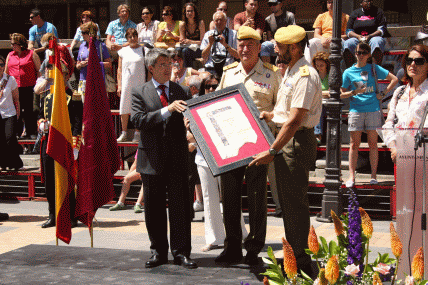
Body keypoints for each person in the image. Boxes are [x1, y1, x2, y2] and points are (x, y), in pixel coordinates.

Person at [249, 25, 322, 278]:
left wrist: (272, 149)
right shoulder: (291, 71)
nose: (275, 50)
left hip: (293, 142)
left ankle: (301, 263)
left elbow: (295, 120)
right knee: (288, 205)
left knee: (294, 206)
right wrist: (272, 114)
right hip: (287, 140)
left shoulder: (304, 74)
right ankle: (296, 258)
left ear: (294, 47)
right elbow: (287, 113)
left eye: (279, 46)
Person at [214, 26, 281, 266]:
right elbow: (217, 106)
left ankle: (253, 248)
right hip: (230, 146)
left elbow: (281, 111)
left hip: (258, 147)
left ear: (258, 48)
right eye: (240, 44)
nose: (244, 49)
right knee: (229, 198)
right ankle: (232, 247)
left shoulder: (272, 74)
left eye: (249, 45)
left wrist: (269, 116)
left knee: (256, 198)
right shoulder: (228, 72)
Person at [130, 48, 196, 269]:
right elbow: (139, 120)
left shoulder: (181, 90)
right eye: (162, 64)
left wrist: (191, 124)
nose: (169, 68)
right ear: (151, 68)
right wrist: (167, 110)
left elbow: (190, 118)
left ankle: (181, 252)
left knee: (180, 208)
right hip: (152, 159)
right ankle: (158, 251)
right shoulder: (140, 91)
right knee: (154, 209)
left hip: (177, 158)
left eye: (171, 64)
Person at [340, 42, 398, 187]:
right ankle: (351, 176)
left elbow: (394, 79)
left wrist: (383, 93)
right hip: (356, 110)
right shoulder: (348, 72)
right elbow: (342, 94)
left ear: (369, 55)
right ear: (355, 54)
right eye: (359, 52)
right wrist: (354, 92)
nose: (361, 55)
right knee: (354, 144)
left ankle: (373, 176)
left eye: (364, 53)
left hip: (372, 109)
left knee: (373, 144)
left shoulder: (373, 68)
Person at [37, 63, 77, 229]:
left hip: (65, 143)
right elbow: (39, 116)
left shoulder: (73, 96)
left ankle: (71, 216)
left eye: (59, 74)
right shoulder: (47, 96)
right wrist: (41, 125)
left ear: (67, 76)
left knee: (67, 181)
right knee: (49, 182)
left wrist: (75, 145)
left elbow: (76, 122)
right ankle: (52, 215)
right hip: (48, 142)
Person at [382, 44, 428, 164]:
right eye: (409, 60)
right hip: (400, 156)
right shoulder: (399, 92)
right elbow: (388, 124)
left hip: (424, 157)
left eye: (419, 61)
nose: (412, 64)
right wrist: (394, 148)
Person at [5, 33, 41, 140]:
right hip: (14, 87)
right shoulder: (10, 55)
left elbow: (39, 70)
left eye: (14, 44)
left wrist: (38, 84)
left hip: (29, 86)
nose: (12, 46)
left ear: (20, 44)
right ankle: (17, 132)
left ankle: (31, 131)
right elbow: (6, 72)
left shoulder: (31, 54)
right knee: (16, 110)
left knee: (30, 110)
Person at [116, 28, 146, 143]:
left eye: (134, 36)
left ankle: (137, 133)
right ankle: (123, 133)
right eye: (130, 37)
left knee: (138, 108)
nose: (132, 38)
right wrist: (119, 85)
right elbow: (119, 70)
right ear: (127, 38)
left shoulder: (143, 50)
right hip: (126, 83)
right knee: (124, 108)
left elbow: (148, 69)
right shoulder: (123, 51)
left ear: (137, 37)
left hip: (140, 83)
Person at [343, 0, 389, 67]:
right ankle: (351, 70)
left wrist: (370, 36)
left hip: (373, 37)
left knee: (377, 41)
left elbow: (382, 29)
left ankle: (376, 70)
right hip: (358, 39)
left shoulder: (378, 12)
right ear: (361, 3)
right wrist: (358, 36)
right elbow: (348, 31)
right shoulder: (355, 13)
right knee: (348, 43)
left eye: (370, 1)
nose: (369, 3)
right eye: (366, 1)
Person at [303, 0, 349, 65]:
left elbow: (346, 35)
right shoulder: (321, 16)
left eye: (332, 2)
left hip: (337, 41)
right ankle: (308, 68)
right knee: (311, 43)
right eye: (329, 2)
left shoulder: (345, 17)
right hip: (323, 41)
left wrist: (334, 38)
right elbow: (316, 34)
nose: (330, 4)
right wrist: (323, 39)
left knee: (340, 43)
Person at [76, 22, 112, 102]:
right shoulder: (82, 46)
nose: (82, 35)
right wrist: (80, 65)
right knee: (84, 106)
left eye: (84, 33)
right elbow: (77, 65)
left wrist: (94, 63)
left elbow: (109, 64)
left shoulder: (100, 45)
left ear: (91, 33)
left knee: (97, 105)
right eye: (81, 32)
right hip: (83, 80)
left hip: (97, 80)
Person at [0, 55, 23, 171]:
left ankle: (15, 162)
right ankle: (3, 163)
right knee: (1, 140)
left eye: (1, 65)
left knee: (9, 138)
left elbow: (16, 99)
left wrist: (18, 114)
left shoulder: (10, 79)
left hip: (9, 113)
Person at [201, 11, 239, 77]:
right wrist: (210, 44)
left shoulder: (233, 34)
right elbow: (203, 56)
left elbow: (237, 55)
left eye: (221, 20)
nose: (219, 22)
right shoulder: (208, 34)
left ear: (225, 21)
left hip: (228, 67)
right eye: (216, 20)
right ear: (213, 22)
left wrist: (225, 45)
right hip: (212, 67)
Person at [179, 2, 206, 68]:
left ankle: (189, 70)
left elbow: (203, 42)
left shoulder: (200, 23)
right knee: (178, 50)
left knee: (185, 51)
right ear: (185, 13)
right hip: (187, 47)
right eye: (188, 11)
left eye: (191, 11)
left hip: (199, 49)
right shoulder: (182, 24)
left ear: (195, 12)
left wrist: (190, 41)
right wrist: (182, 41)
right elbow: (182, 39)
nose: (190, 13)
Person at [312, 52, 331, 144]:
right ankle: (317, 135)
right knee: (318, 107)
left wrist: (320, 93)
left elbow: (332, 93)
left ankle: (318, 134)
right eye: (317, 65)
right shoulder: (314, 76)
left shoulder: (331, 75)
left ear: (326, 64)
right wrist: (325, 93)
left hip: (329, 102)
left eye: (321, 65)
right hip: (318, 102)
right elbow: (313, 92)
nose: (319, 67)